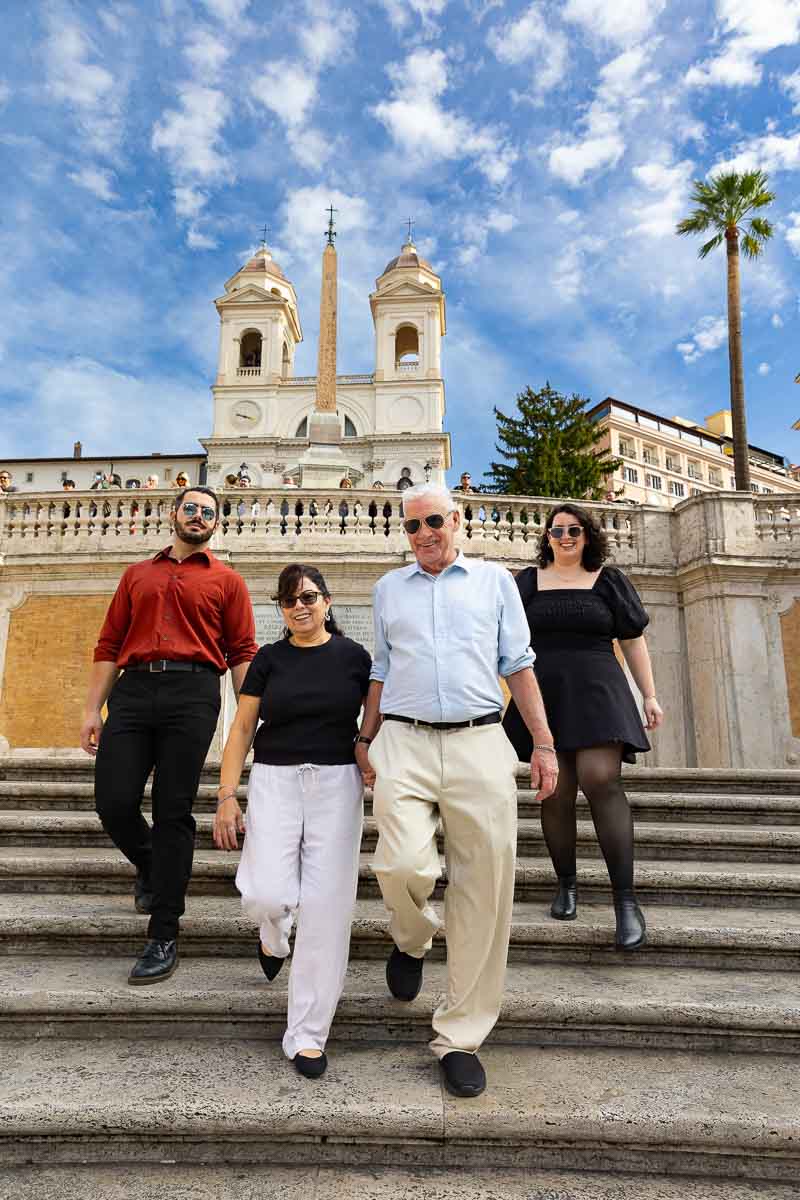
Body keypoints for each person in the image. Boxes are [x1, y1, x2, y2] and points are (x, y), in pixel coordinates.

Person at [355, 483, 557, 1099]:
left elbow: (518, 664)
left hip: (479, 741)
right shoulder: (389, 589)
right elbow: (380, 670)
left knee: (485, 889)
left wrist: (543, 744)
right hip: (405, 742)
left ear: (458, 519)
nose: (423, 535)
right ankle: (413, 937)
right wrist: (365, 737)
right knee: (400, 862)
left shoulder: (496, 583)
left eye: (433, 521)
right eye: (411, 526)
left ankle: (460, 1037)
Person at [80, 486, 257, 985]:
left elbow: (242, 651)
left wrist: (251, 720)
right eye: (191, 508)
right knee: (112, 802)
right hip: (133, 691)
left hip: (194, 691)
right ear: (173, 514)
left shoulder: (228, 581)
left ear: (216, 524)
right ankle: (155, 867)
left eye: (208, 512)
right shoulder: (137, 575)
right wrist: (93, 709)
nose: (199, 516)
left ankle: (163, 932)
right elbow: (109, 643)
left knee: (173, 808)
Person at [214, 564, 371, 1080]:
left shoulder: (355, 659)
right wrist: (225, 795)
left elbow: (376, 721)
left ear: (327, 601)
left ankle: (306, 1035)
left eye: (307, 596)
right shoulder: (268, 660)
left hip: (336, 785)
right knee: (264, 893)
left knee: (327, 912)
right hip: (275, 780)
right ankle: (273, 936)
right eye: (287, 600)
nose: (298, 606)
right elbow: (241, 728)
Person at [502, 503, 664, 951]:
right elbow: (500, 637)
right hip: (544, 692)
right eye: (557, 531)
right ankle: (567, 885)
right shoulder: (526, 583)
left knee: (600, 778)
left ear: (588, 535)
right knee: (555, 790)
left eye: (574, 530)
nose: (566, 537)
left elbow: (632, 640)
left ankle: (625, 901)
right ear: (547, 537)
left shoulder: (609, 581)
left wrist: (648, 694)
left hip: (599, 689)